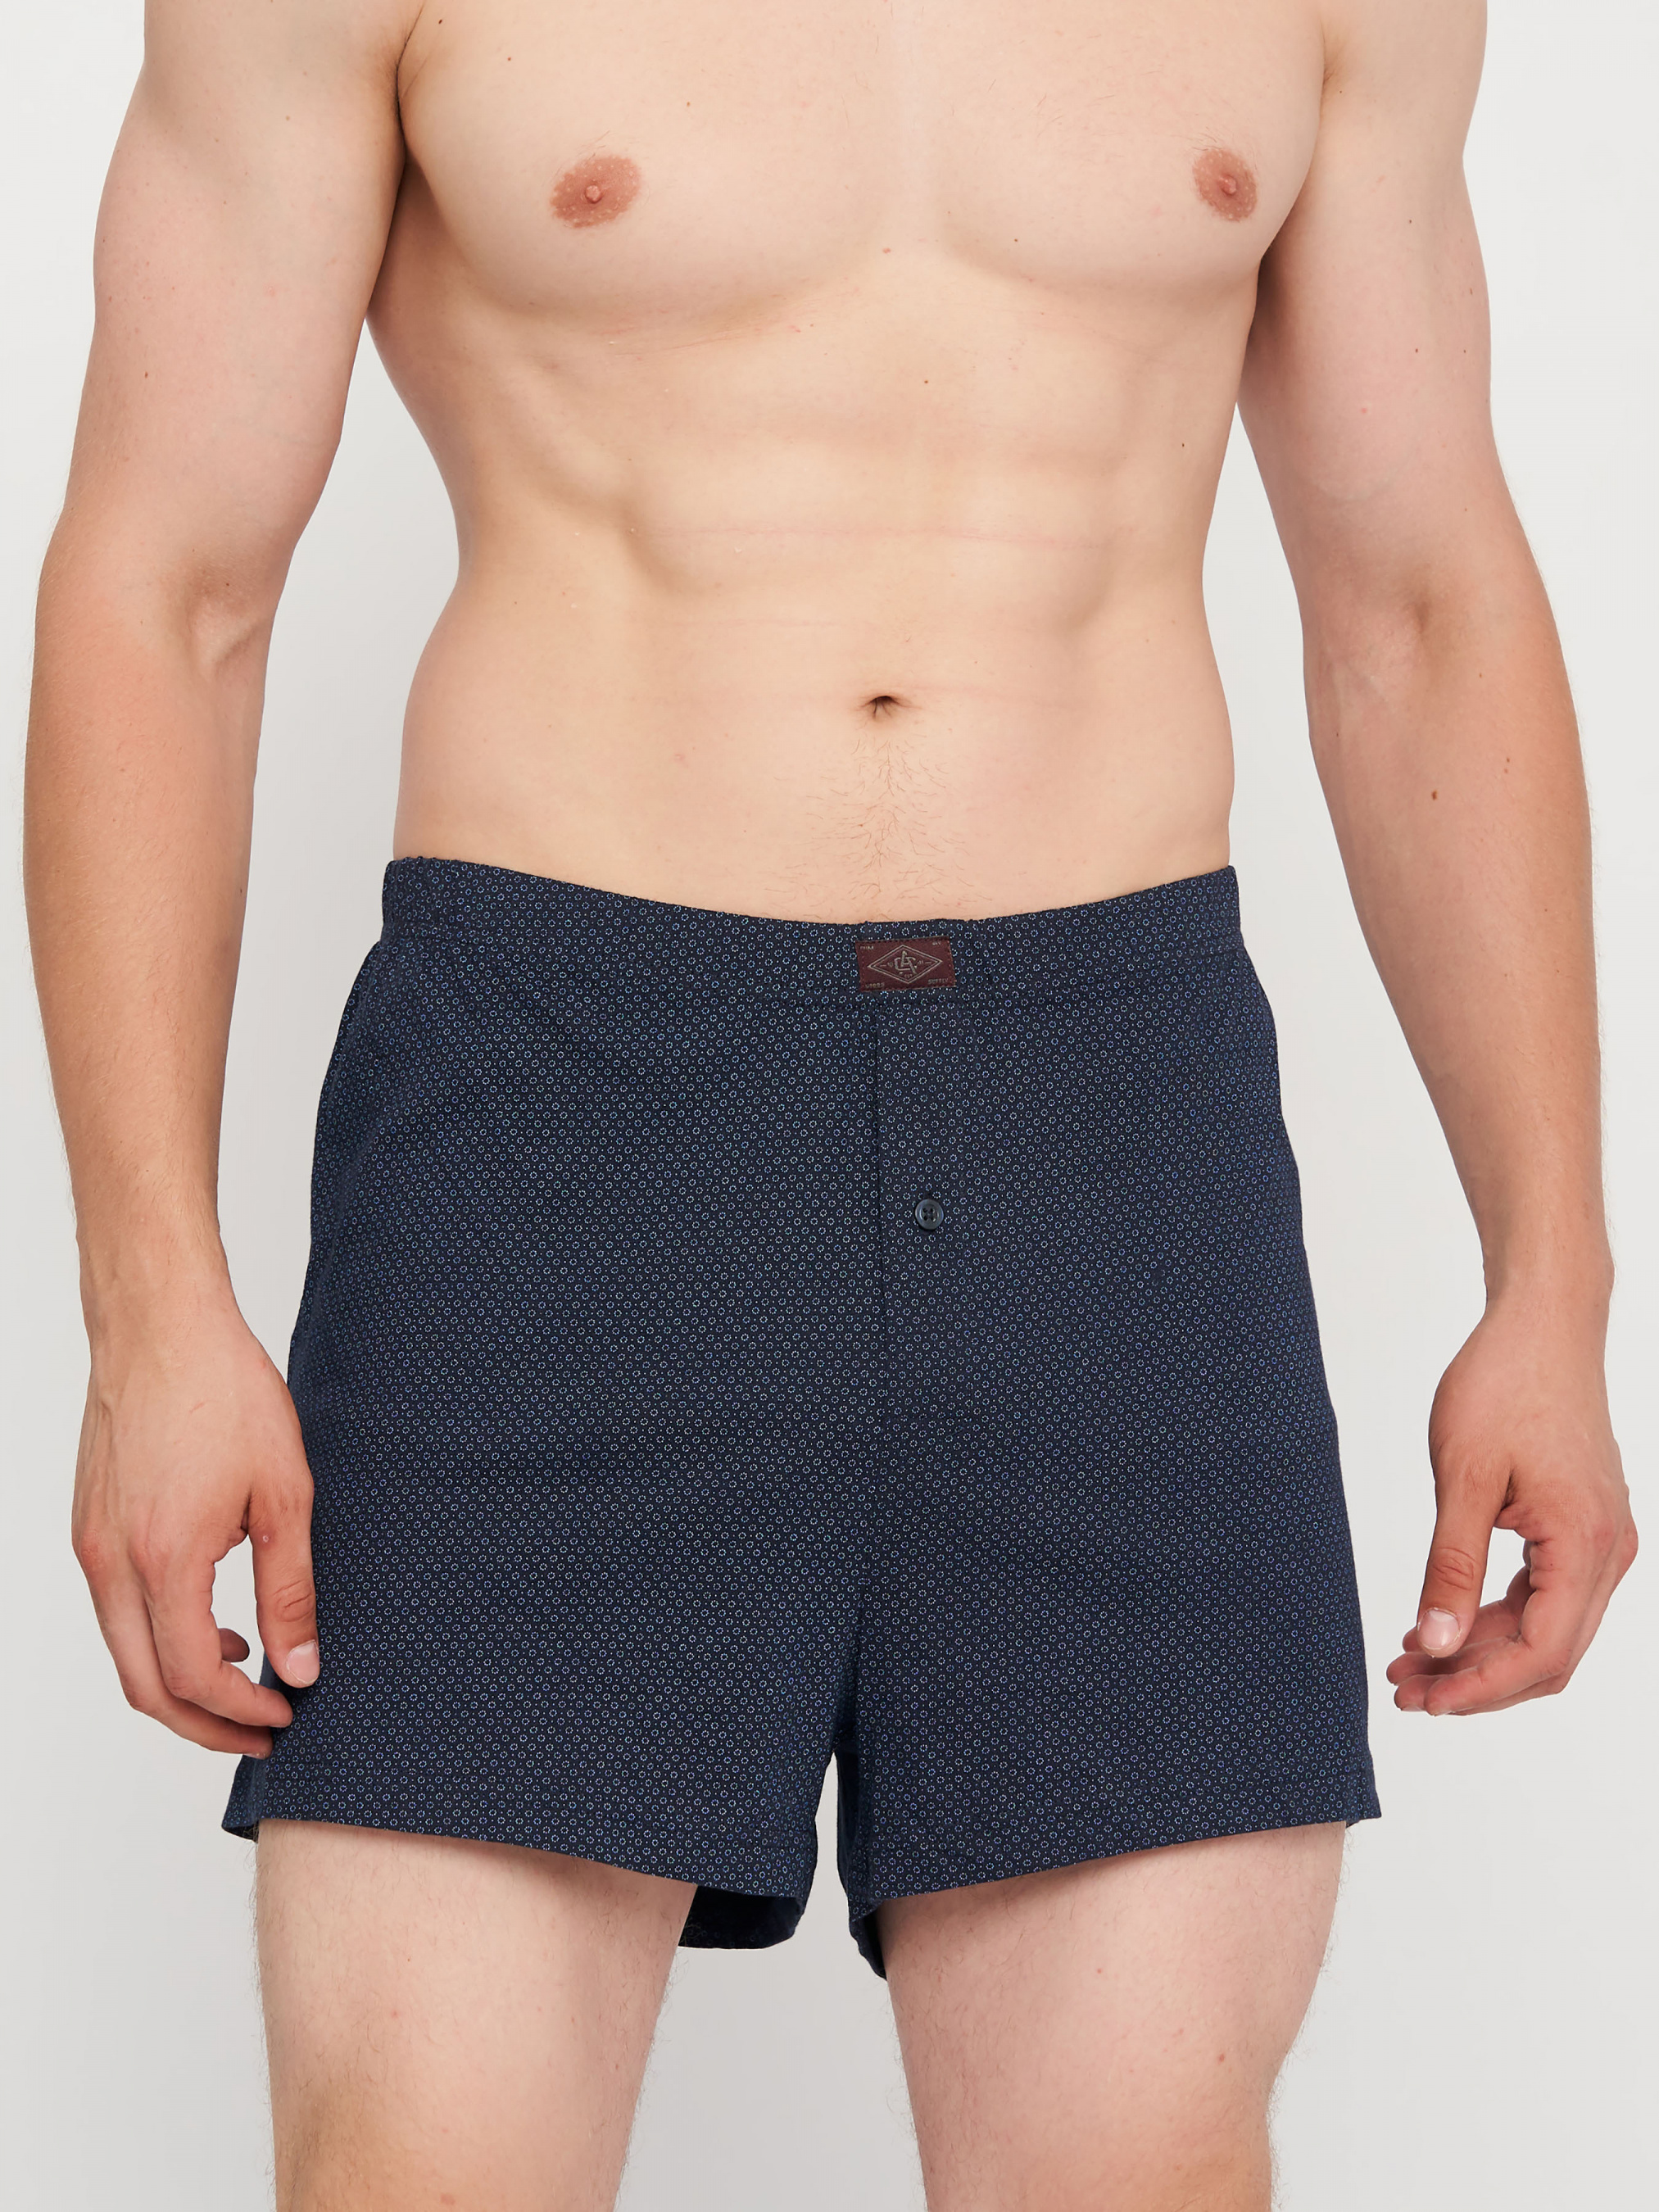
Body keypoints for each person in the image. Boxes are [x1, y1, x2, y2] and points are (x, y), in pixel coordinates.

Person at [25, 0, 1635, 2206]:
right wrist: (148, 1298)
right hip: (558, 1124)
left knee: (1144, 2172)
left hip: (1111, 1130)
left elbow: (1421, 602)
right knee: (418, 2163)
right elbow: (166, 586)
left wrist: (1552, 1275)